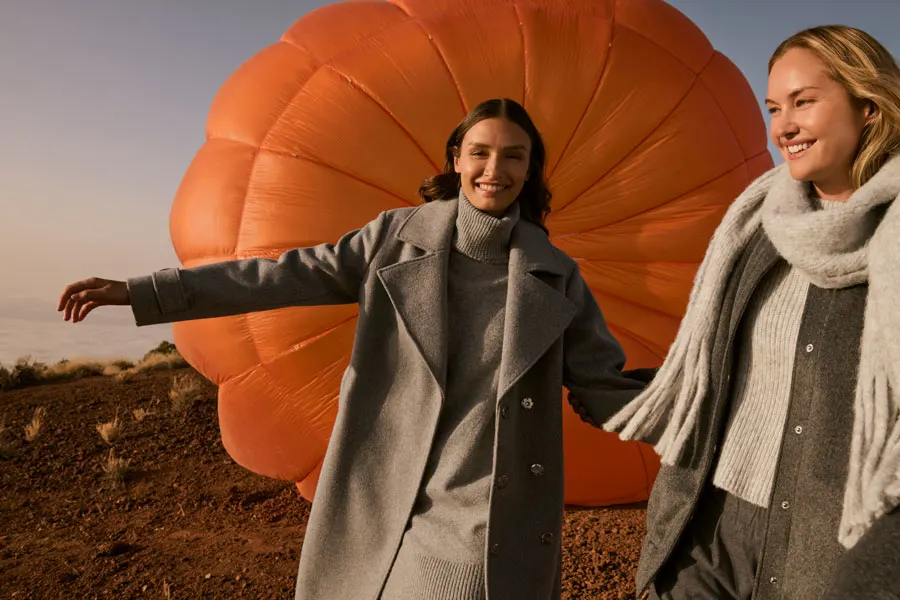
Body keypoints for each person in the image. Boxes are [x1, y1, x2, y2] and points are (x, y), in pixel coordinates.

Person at [58, 98, 655, 600]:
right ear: (457, 160)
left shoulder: (556, 275)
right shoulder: (391, 240)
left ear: (530, 171)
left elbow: (602, 387)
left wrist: (713, 393)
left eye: (512, 156)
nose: (493, 168)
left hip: (485, 511)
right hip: (386, 487)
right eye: (480, 152)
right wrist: (142, 293)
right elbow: (273, 277)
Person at [604, 25, 900, 600]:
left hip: (833, 553)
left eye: (804, 102)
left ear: (867, 106)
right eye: (773, 108)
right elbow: (715, 379)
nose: (783, 126)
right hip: (711, 537)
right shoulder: (755, 229)